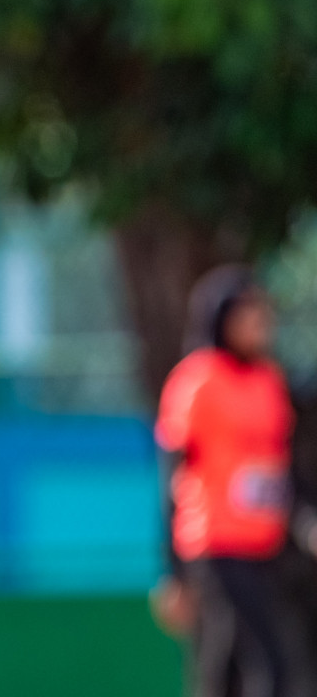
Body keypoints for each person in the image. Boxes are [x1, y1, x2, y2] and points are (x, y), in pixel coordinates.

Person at [155, 266, 311, 697]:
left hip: (266, 539)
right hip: (215, 540)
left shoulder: (268, 381)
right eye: (248, 316)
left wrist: (306, 519)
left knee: (226, 660)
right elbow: (173, 470)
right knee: (271, 660)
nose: (260, 326)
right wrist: (173, 571)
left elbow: (284, 466)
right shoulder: (198, 380)